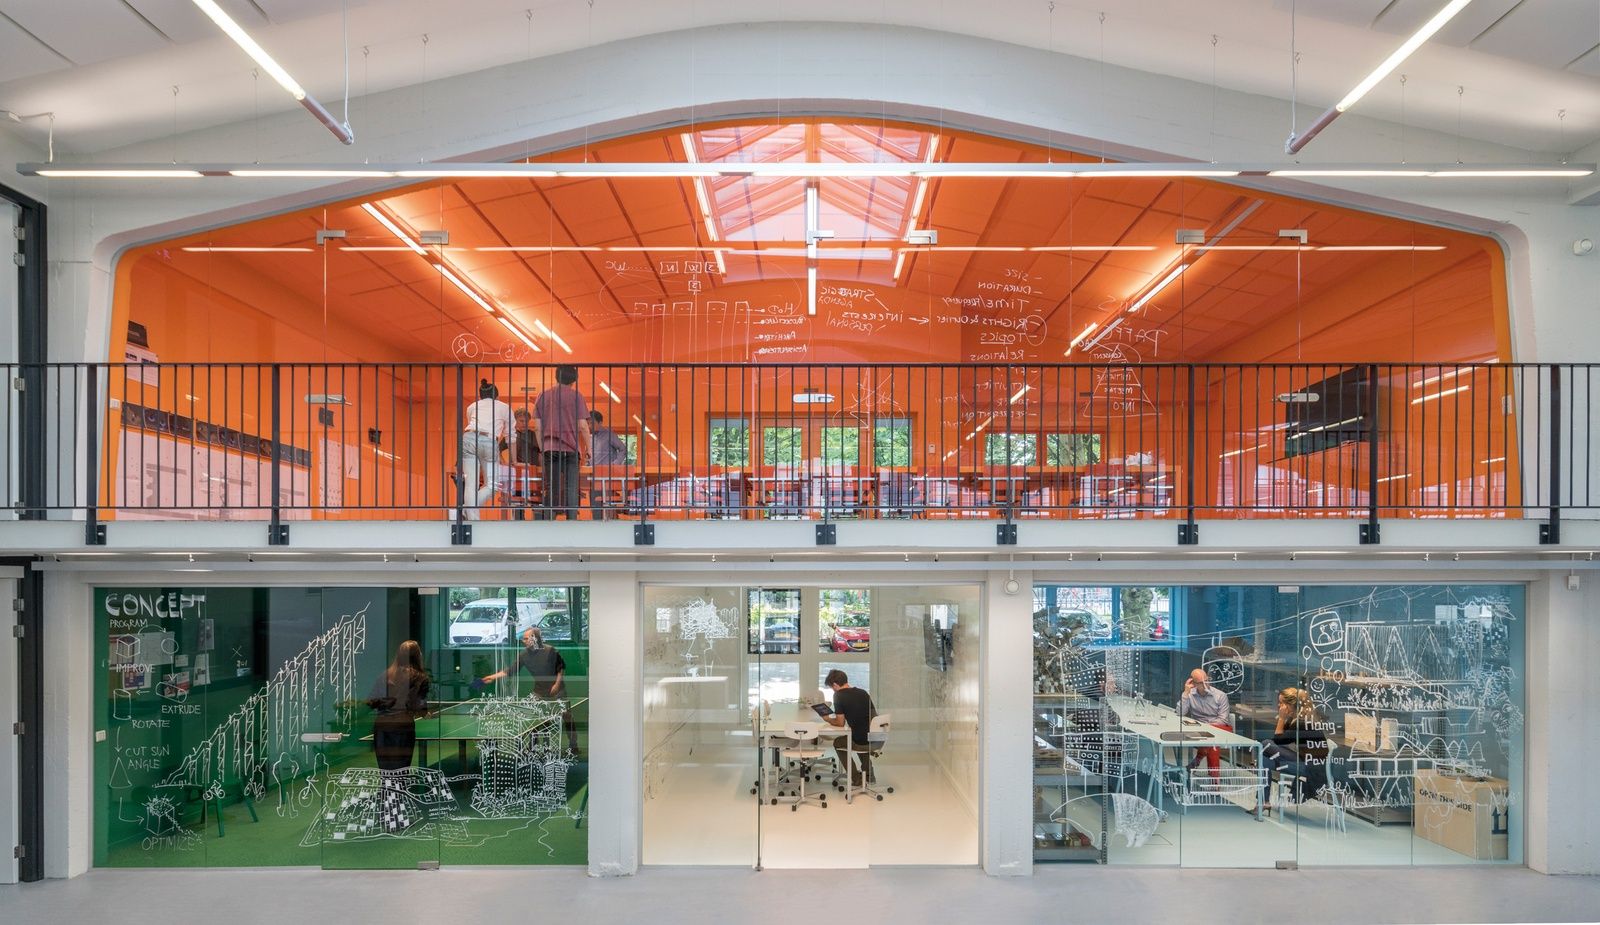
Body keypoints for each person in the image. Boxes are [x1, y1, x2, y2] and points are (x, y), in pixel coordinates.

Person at [481, 627, 581, 758]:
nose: (523, 641)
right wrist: (492, 677)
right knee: (532, 716)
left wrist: (556, 685)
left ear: (534, 639)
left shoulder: (550, 650)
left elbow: (561, 668)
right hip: (539, 691)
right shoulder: (523, 655)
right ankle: (533, 746)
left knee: (567, 716)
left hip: (557, 690)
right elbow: (510, 670)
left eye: (526, 638)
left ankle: (574, 744)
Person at [533, 365, 592, 520]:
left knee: (551, 487)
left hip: (550, 448)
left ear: (556, 376)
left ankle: (550, 520)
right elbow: (583, 426)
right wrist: (589, 448)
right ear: (574, 379)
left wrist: (543, 448)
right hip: (571, 449)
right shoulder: (577, 396)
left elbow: (537, 427)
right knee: (571, 487)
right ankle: (571, 520)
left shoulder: (543, 395)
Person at [1259, 687, 1331, 810]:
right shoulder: (1296, 719)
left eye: (1281, 703)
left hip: (1312, 769)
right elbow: (1280, 740)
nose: (1279, 705)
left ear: (1291, 705)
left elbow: (1278, 741)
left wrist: (1281, 718)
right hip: (1306, 763)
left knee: (1265, 745)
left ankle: (1263, 801)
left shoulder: (1301, 722)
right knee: (1265, 758)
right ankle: (1264, 801)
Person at [367, 640, 430, 771]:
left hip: (382, 727)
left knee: (385, 773)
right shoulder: (420, 678)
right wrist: (425, 713)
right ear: (417, 656)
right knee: (401, 772)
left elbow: (371, 701)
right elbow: (417, 705)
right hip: (402, 727)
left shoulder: (385, 675)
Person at [461, 379, 513, 520]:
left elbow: (470, 423)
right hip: (489, 440)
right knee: (493, 485)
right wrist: (513, 459)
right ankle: (468, 508)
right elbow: (511, 436)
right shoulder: (504, 407)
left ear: (480, 396)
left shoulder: (472, 406)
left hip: (469, 437)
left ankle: (470, 515)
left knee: (470, 484)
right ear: (497, 396)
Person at [822, 668, 876, 788]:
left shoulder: (838, 695)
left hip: (860, 740)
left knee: (838, 742)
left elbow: (840, 723)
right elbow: (873, 715)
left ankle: (856, 779)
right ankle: (870, 776)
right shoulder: (863, 692)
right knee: (861, 737)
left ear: (835, 685)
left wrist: (828, 719)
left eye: (831, 687)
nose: (832, 689)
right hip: (874, 737)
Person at [1178, 667, 1232, 782]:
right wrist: (1186, 693)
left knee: (1212, 739)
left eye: (1207, 680)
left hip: (1221, 728)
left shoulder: (1220, 695)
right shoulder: (1190, 695)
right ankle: (1215, 779)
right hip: (1201, 730)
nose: (1205, 684)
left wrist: (1207, 727)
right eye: (1201, 683)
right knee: (1212, 743)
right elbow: (1180, 713)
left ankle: (1199, 762)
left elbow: (1223, 720)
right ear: (1193, 683)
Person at [588, 410, 628, 520]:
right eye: (588, 423)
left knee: (608, 504)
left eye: (592, 423)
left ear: (600, 423)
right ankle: (596, 525)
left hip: (607, 476)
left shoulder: (609, 435)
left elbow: (623, 449)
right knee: (595, 504)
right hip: (594, 476)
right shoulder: (590, 437)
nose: (589, 426)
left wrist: (615, 464)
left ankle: (611, 524)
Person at [510, 408, 541, 520]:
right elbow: (497, 450)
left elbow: (541, 452)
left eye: (526, 421)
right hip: (518, 473)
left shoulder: (534, 435)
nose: (524, 423)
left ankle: (538, 524)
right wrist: (505, 463)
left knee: (536, 502)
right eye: (521, 421)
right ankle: (518, 524)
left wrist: (541, 467)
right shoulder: (512, 435)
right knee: (518, 502)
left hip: (534, 472)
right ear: (515, 421)